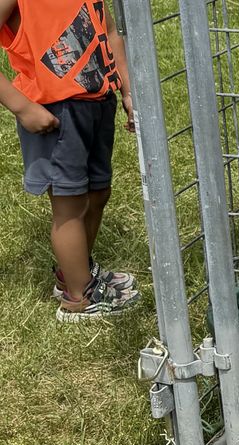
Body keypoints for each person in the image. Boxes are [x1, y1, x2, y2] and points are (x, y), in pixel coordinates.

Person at [0, 0, 141, 322]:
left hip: (97, 103)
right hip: (55, 111)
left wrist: (129, 92)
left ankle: (76, 272)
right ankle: (79, 298)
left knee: (97, 192)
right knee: (70, 204)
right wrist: (22, 108)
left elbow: (110, 33)